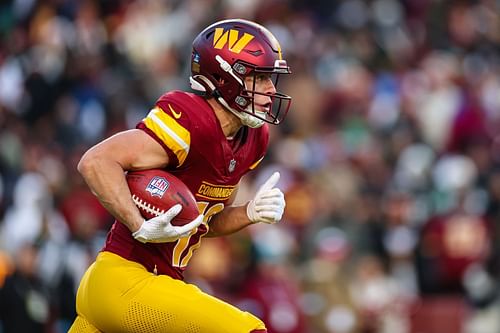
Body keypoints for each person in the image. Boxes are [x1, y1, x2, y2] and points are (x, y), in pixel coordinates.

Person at [68, 18, 292, 333]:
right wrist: (138, 224)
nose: (271, 90)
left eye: (271, 79)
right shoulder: (191, 121)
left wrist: (249, 213)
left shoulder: (254, 139)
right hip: (125, 282)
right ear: (223, 77)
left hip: (140, 289)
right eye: (259, 77)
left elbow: (198, 223)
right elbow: (95, 162)